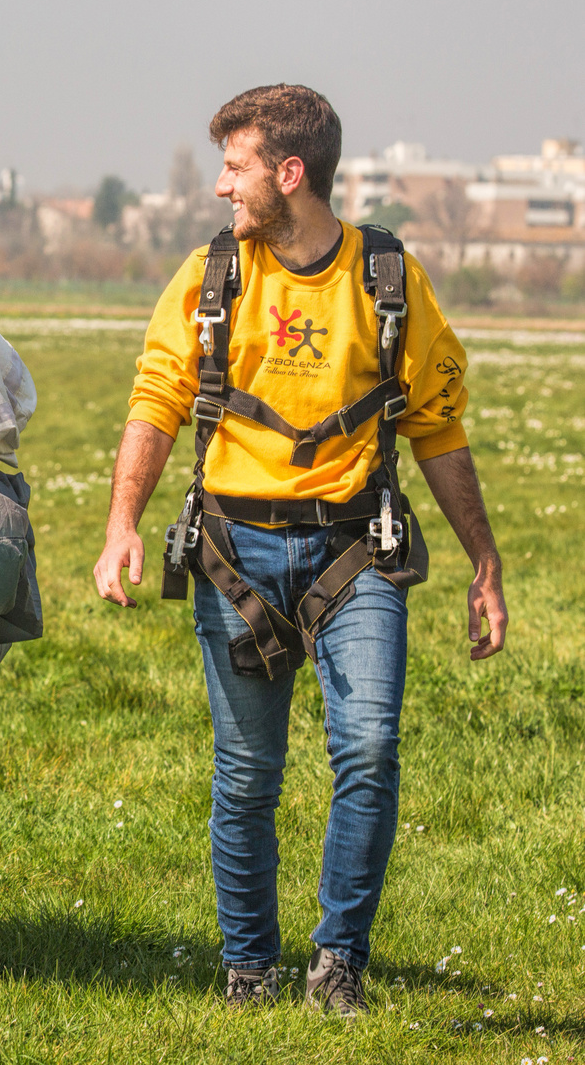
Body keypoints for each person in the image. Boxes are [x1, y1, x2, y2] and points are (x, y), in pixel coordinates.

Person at [92, 84, 507, 1018]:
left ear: (290, 174)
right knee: (246, 776)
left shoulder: (387, 279)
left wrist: (483, 562)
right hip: (234, 556)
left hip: (355, 553)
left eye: (234, 167)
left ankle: (337, 962)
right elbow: (156, 399)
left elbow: (437, 427)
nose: (218, 188)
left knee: (367, 750)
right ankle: (247, 967)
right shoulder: (209, 279)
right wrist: (121, 523)